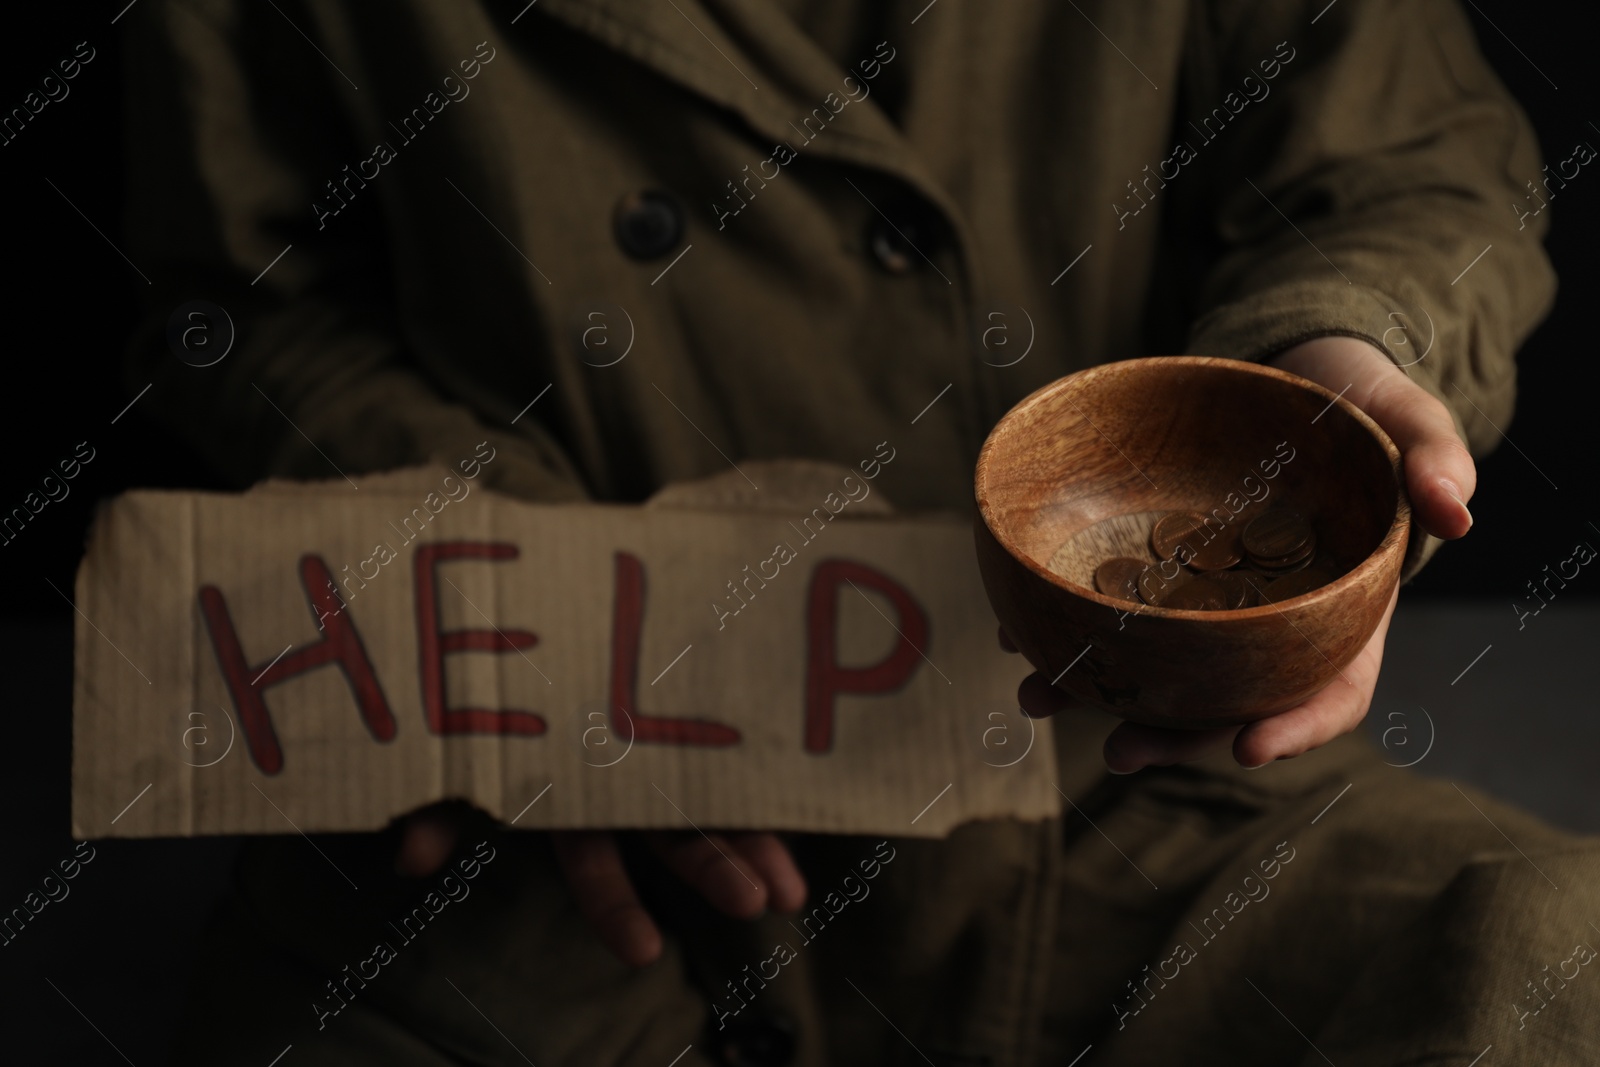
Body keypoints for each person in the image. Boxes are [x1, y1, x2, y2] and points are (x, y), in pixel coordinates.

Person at [124, 1, 1599, 1063]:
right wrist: (538, 600)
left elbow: (1418, 157)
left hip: (1120, 774)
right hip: (565, 815)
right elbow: (239, 304)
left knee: (1556, 960)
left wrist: (1339, 349)